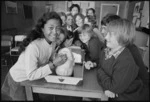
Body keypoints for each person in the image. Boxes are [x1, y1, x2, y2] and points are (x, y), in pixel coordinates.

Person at [1, 11, 67, 101]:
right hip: (19, 79)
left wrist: (56, 57)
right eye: (51, 28)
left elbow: (49, 56)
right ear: (43, 29)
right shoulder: (34, 46)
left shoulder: (53, 42)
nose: (55, 32)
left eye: (58, 28)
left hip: (32, 78)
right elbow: (31, 75)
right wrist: (54, 64)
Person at [97, 19, 149, 101]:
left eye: (110, 34)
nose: (106, 37)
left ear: (123, 37)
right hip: (115, 95)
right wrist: (106, 87)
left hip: (130, 97)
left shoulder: (126, 60)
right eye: (107, 33)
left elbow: (113, 87)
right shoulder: (106, 51)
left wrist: (100, 72)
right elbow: (100, 68)